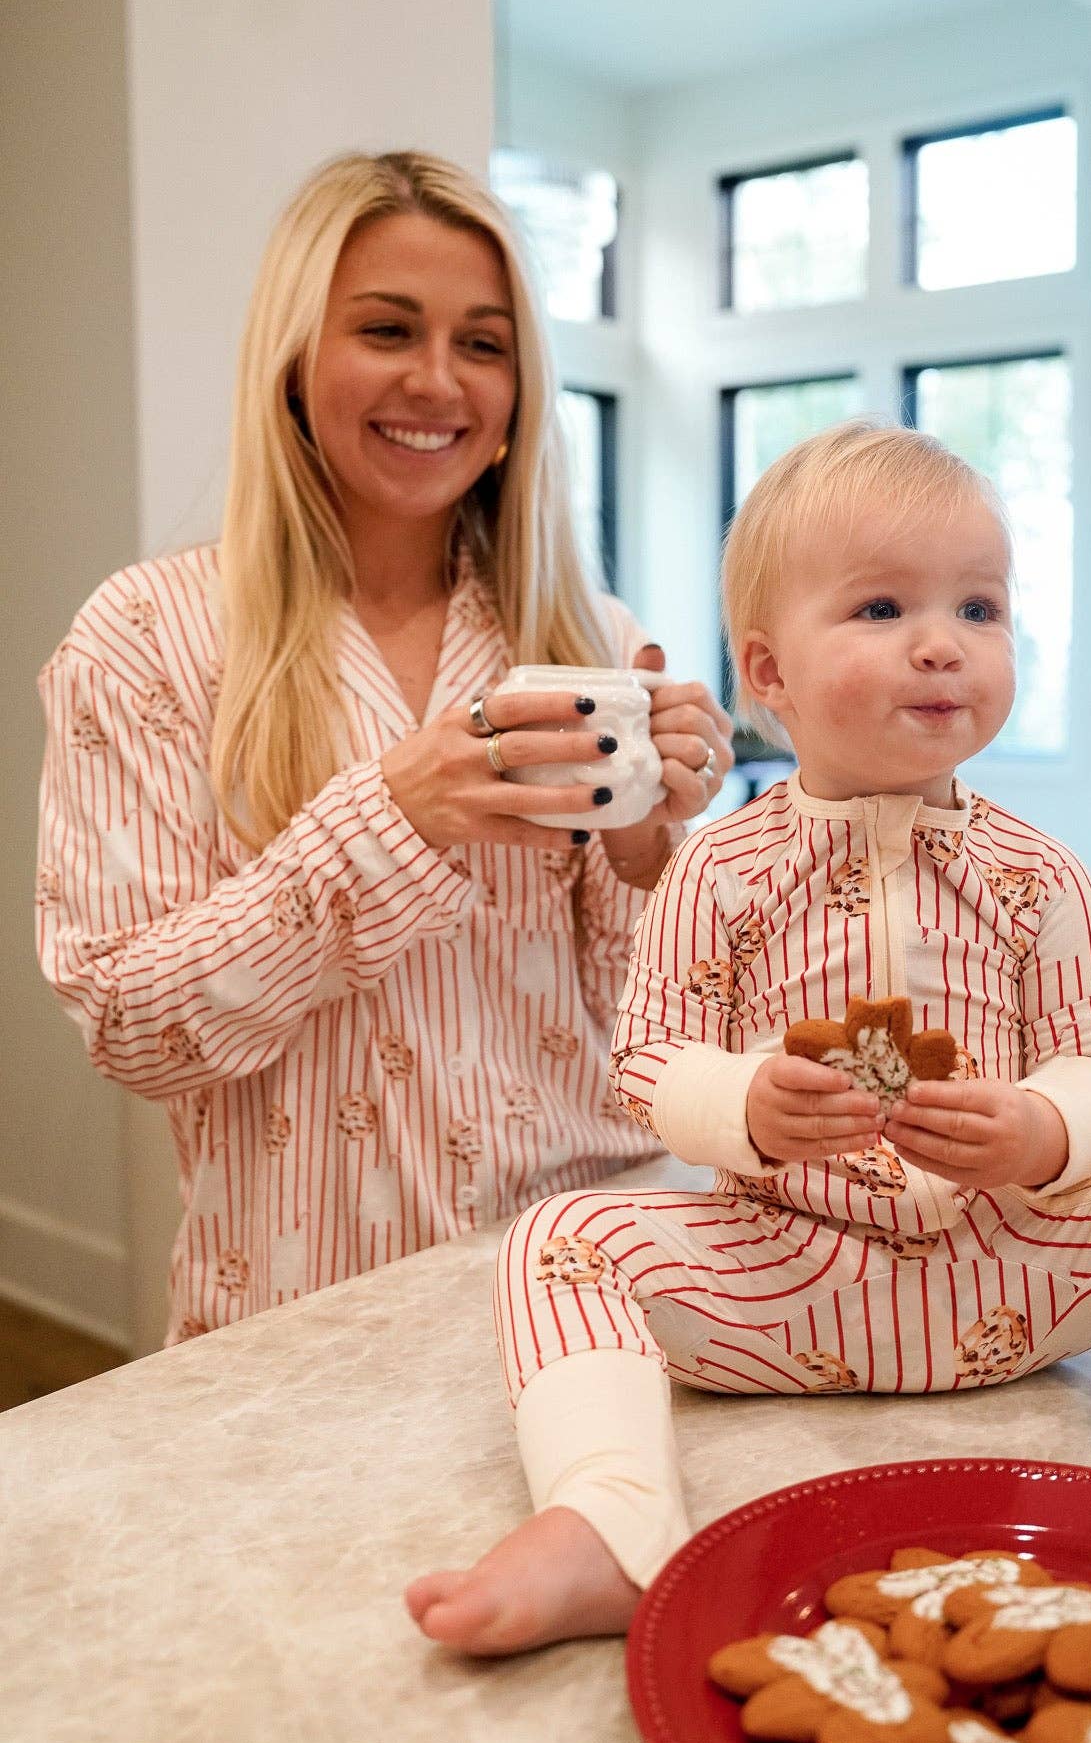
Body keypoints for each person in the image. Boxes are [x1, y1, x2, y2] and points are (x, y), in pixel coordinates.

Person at [406, 420, 1091, 1658]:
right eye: (878, 605)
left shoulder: (1040, 876)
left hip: (1006, 1266)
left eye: (978, 604)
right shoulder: (718, 872)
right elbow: (648, 1060)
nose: (939, 640)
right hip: (787, 1275)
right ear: (769, 672)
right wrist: (747, 1103)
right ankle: (609, 1519)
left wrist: (1041, 1128)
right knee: (561, 1238)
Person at [36, 149, 732, 1344]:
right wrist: (384, 820)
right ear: (296, 360)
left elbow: (670, 1034)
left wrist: (655, 853)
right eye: (386, 328)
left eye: (483, 342)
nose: (436, 381)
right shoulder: (146, 637)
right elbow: (132, 1027)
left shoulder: (590, 639)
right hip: (300, 1318)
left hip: (593, 1284)